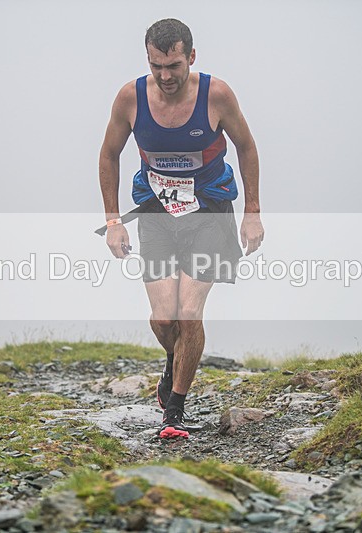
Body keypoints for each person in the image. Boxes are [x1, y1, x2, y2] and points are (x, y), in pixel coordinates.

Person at [98, 18, 263, 439]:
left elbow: (246, 146)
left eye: (174, 65)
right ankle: (176, 361)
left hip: (209, 207)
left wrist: (253, 211)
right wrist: (113, 221)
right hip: (155, 209)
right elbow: (109, 155)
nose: (166, 76)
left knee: (189, 313)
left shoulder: (217, 95)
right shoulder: (130, 99)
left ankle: (175, 410)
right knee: (163, 318)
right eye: (157, 66)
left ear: (191, 57)